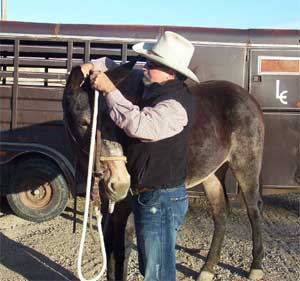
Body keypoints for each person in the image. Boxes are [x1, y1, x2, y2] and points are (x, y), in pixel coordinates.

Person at [84, 31, 199, 281]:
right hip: (150, 196)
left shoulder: (176, 105)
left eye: (152, 64)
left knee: (156, 273)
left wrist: (110, 91)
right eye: (147, 61)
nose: (145, 67)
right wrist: (90, 66)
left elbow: (139, 126)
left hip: (161, 198)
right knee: (151, 265)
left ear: (171, 72)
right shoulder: (151, 83)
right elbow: (113, 66)